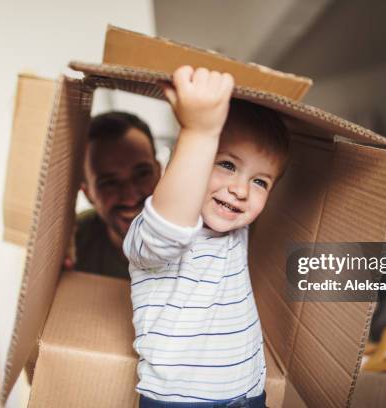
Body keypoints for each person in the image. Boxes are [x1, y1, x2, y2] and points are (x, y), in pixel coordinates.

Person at [123, 66, 290, 407]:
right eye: (227, 164)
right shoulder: (153, 230)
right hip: (181, 401)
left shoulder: (235, 227)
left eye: (260, 181)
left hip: (249, 394)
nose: (241, 189)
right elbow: (169, 231)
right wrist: (199, 132)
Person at [76, 111, 161, 279]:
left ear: (159, 171)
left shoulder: (200, 234)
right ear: (88, 194)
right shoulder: (72, 242)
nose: (130, 197)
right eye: (109, 183)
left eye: (142, 174)